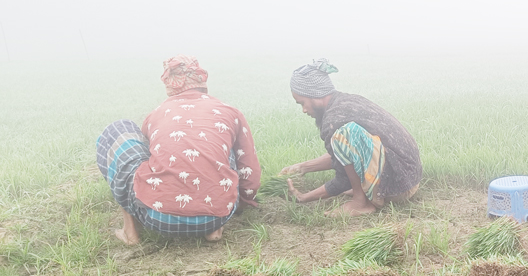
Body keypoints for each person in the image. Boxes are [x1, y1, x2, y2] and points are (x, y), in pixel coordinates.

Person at [96, 55, 261, 245]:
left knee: (119, 128)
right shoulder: (229, 111)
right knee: (223, 148)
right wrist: (242, 203)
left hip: (155, 217)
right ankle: (213, 229)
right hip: (218, 215)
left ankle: (130, 231)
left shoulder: (156, 114)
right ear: (201, 80)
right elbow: (250, 169)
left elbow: (150, 158)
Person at [282, 58, 421, 216]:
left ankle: (360, 203)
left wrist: (304, 197)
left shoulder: (333, 121)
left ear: (314, 95)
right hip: (409, 177)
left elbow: (343, 180)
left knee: (342, 135)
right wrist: (303, 167)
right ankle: (365, 191)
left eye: (302, 103)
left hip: (398, 186)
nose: (304, 110)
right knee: (343, 138)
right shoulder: (346, 101)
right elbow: (346, 154)